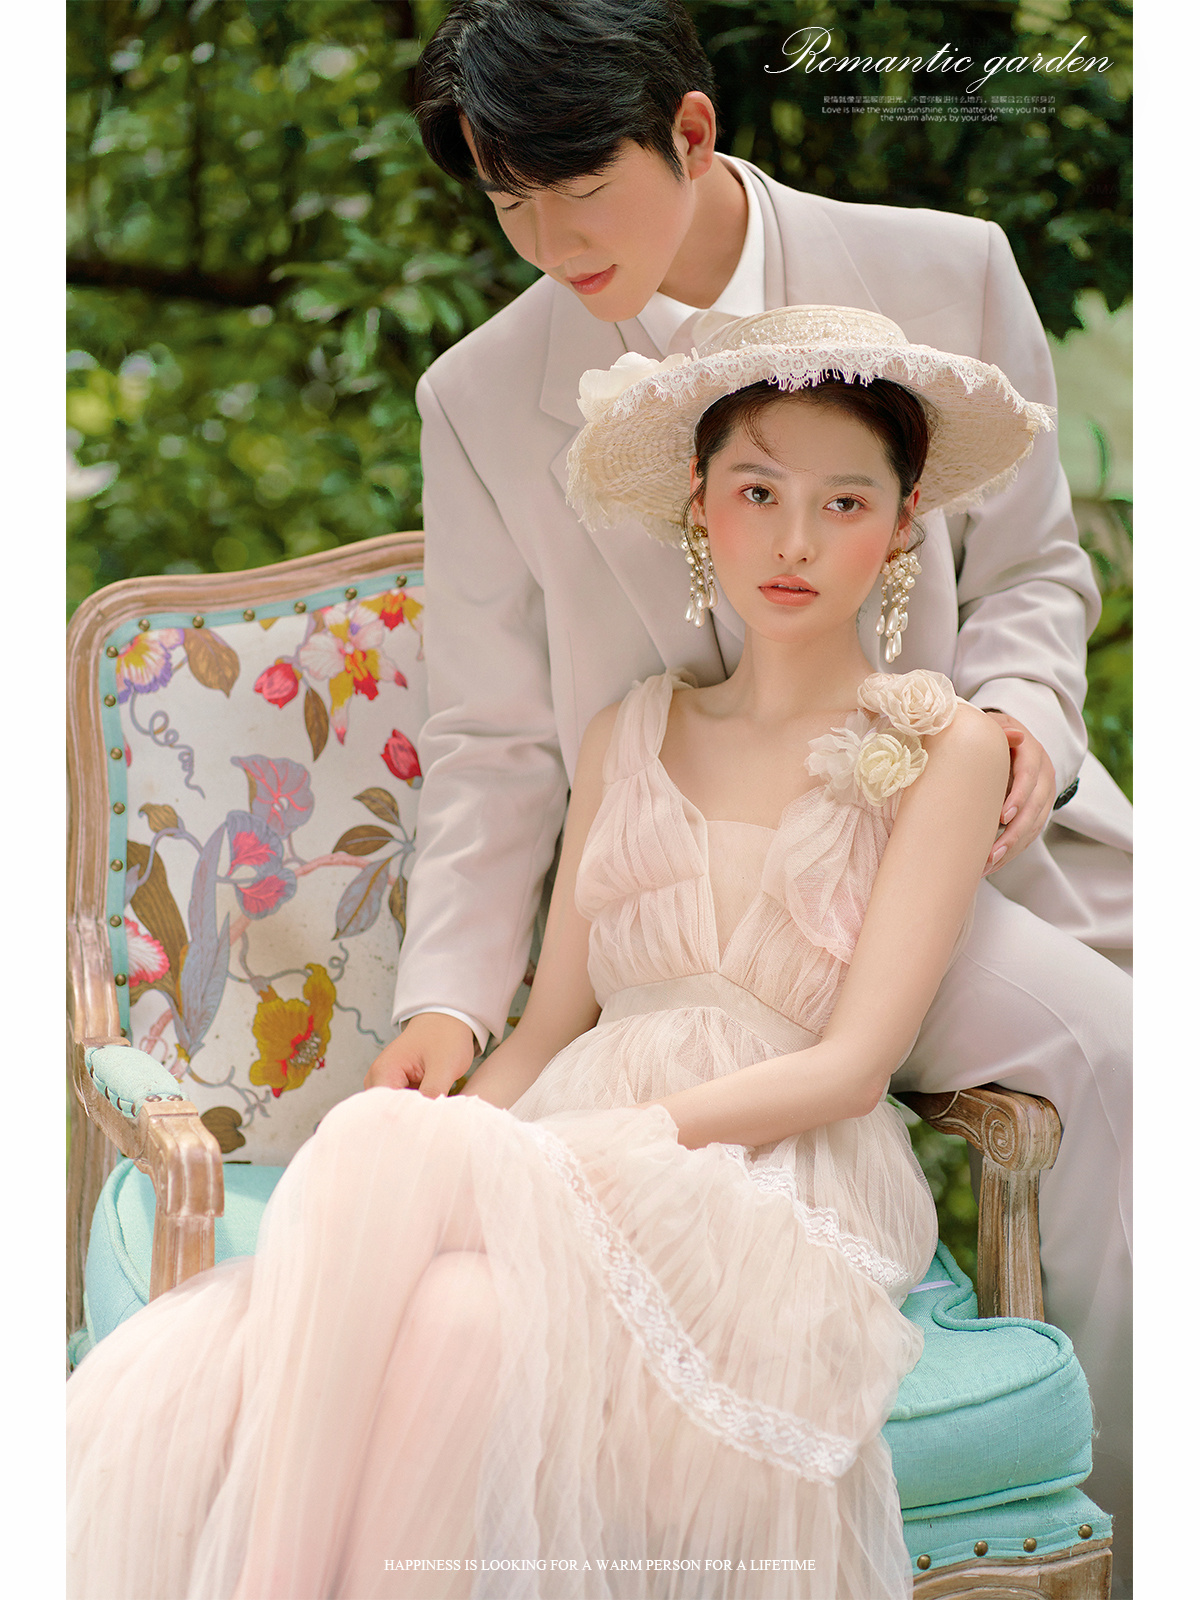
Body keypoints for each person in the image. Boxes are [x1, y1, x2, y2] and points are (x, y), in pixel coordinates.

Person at [69, 307, 1032, 1599]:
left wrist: (616, 1140)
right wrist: (470, 1139)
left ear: (903, 524)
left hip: (772, 1180)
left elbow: (853, 1069)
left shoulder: (942, 749)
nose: (795, 542)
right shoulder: (626, 734)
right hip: (573, 1138)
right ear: (699, 502)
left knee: (382, 1155)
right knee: (454, 1321)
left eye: (844, 504)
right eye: (758, 492)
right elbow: (544, 1030)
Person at [369, 2, 1132, 1575]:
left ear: (693, 131)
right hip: (687, 908)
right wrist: (446, 998)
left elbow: (1037, 569)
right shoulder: (479, 396)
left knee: (1118, 1053)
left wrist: (1013, 725)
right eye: (509, 202)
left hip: (925, 846)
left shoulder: (948, 268)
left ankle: (1132, 1520)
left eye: (583, 191)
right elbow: (495, 738)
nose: (550, 244)